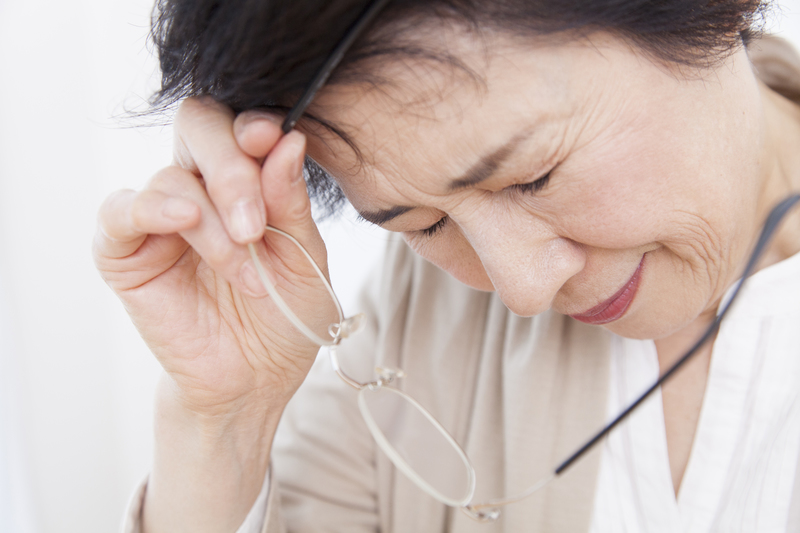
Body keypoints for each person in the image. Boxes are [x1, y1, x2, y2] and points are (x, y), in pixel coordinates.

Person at [93, 0, 800, 531]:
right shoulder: (414, 318)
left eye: (535, 176)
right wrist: (223, 421)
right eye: (424, 224)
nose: (521, 289)